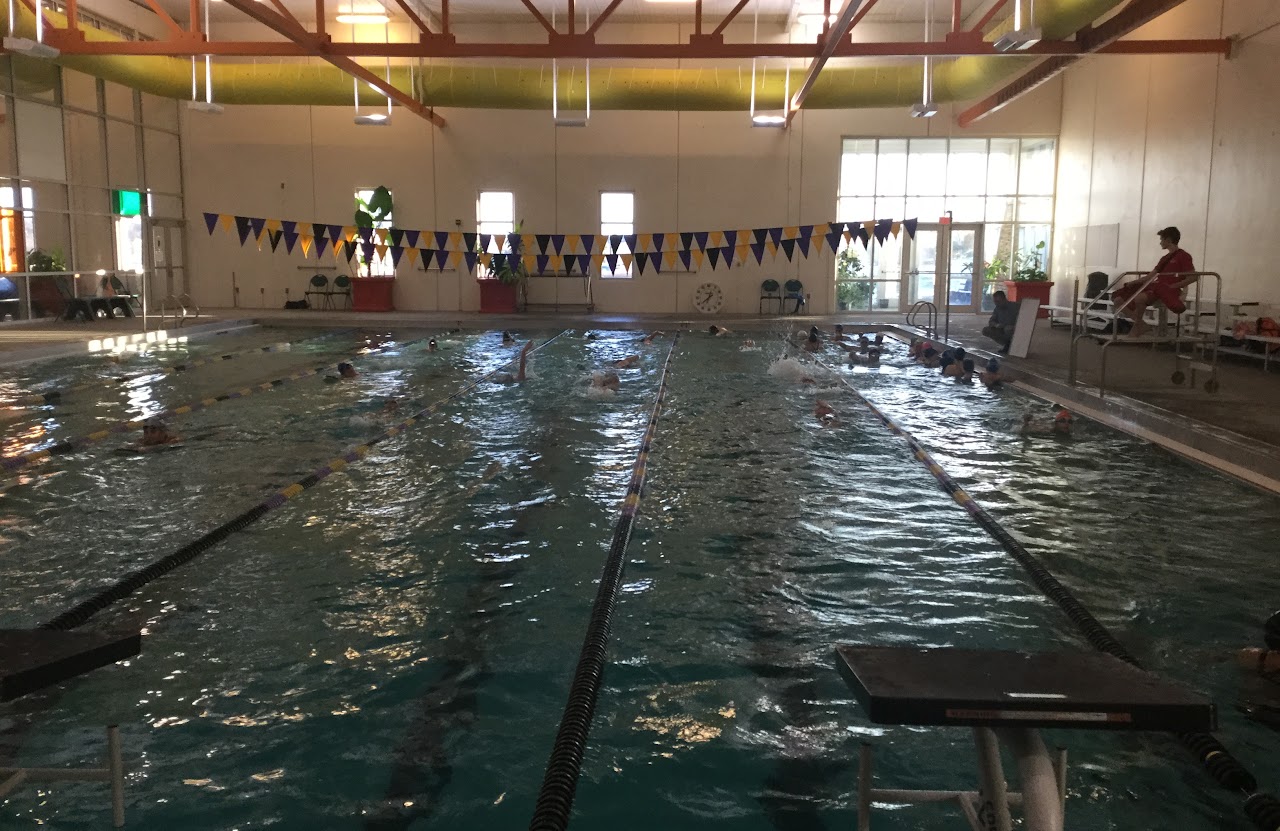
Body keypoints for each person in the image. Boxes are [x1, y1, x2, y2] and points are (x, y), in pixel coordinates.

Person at [1110, 227, 1197, 337]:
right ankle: (1140, 324)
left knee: (1139, 298)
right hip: (1155, 287)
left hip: (1167, 290)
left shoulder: (1184, 256)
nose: (1160, 242)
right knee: (1118, 299)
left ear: (1168, 240)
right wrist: (1134, 283)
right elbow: (1150, 276)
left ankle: (1137, 328)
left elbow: (1193, 277)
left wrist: (1174, 286)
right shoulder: (1164, 258)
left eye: (1161, 239)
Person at [984, 290, 1019, 354]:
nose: (996, 304)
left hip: (1014, 328)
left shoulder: (1015, 307)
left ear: (1004, 299)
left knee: (1008, 329)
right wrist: (996, 325)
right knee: (986, 330)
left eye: (998, 301)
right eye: (995, 302)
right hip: (1002, 328)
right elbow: (991, 321)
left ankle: (1010, 344)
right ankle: (1006, 343)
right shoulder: (997, 309)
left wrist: (1016, 326)